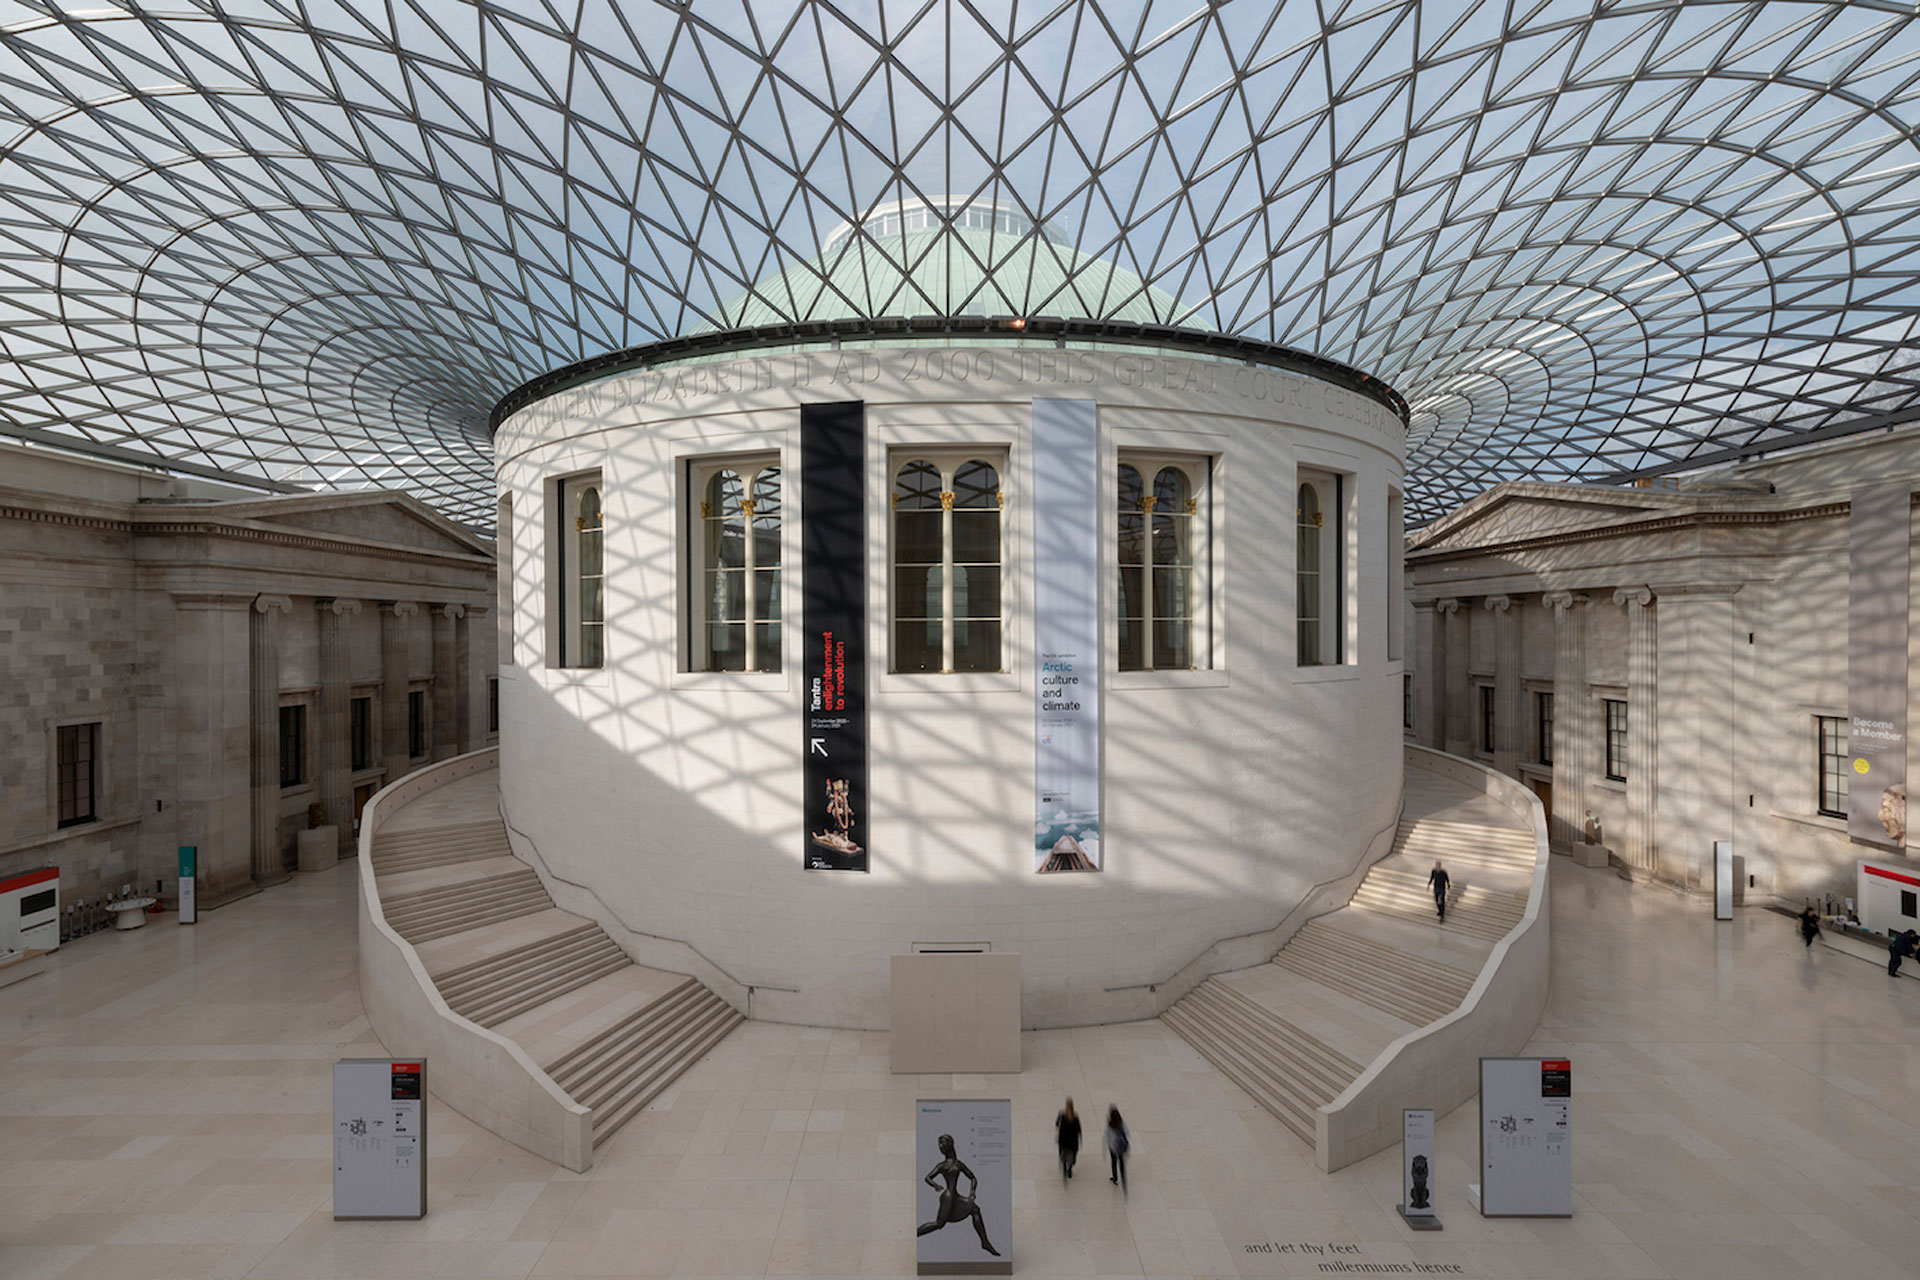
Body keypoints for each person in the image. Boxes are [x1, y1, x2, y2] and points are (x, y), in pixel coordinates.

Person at [917, 1133, 999, 1256]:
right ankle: (915, 1233)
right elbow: (927, 1177)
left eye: (942, 1144)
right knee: (939, 1224)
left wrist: (972, 1193)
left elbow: (973, 1178)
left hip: (955, 1196)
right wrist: (935, 1185)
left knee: (975, 1209)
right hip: (948, 1197)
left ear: (950, 1145)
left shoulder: (958, 1164)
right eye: (939, 1145)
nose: (940, 1147)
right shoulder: (942, 1165)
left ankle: (985, 1242)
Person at [1055, 1097, 1081, 1180]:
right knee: (1071, 1157)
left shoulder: (1062, 1115)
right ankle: (1069, 1170)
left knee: (1063, 1155)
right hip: (1072, 1142)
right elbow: (1079, 1130)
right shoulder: (1075, 1118)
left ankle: (1065, 1168)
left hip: (1064, 1141)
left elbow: (1056, 1124)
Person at [1105, 1105, 1130, 1191]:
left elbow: (1107, 1137)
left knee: (1114, 1162)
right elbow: (1127, 1133)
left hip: (1113, 1148)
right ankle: (1123, 1178)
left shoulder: (1110, 1125)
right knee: (1121, 1163)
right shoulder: (1122, 1123)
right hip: (1120, 1148)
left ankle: (1115, 1178)